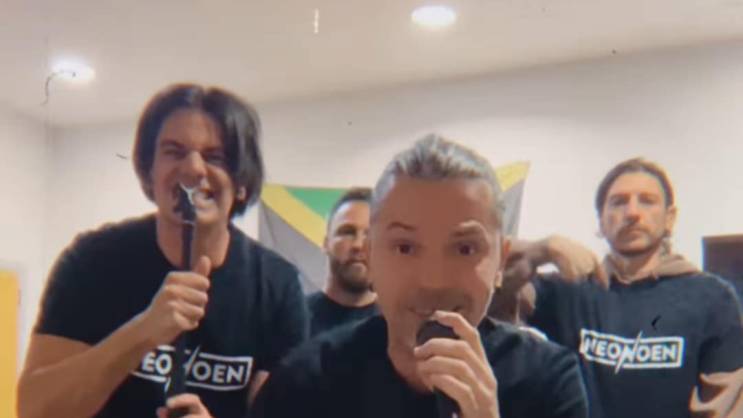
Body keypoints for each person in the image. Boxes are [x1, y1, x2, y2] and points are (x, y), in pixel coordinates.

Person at [17, 84, 309, 418]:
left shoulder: (277, 286)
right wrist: (143, 331)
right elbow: (34, 411)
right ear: (149, 171)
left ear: (241, 182)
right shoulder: (91, 262)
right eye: (174, 151)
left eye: (215, 157)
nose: (193, 168)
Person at [253, 135, 589, 418]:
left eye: (465, 249)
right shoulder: (305, 381)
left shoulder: (548, 381)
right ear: (370, 257)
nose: (433, 281)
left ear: (500, 260)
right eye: (405, 247)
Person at [504, 158, 743, 418]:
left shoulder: (712, 298)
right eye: (619, 202)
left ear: (669, 218)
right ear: (601, 220)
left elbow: (727, 406)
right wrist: (540, 250)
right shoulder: (570, 291)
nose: (632, 213)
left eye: (647, 201)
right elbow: (488, 289)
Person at [306, 187, 379, 336]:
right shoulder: (292, 320)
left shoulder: (401, 328)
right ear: (326, 243)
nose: (358, 245)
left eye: (370, 235)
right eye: (347, 232)